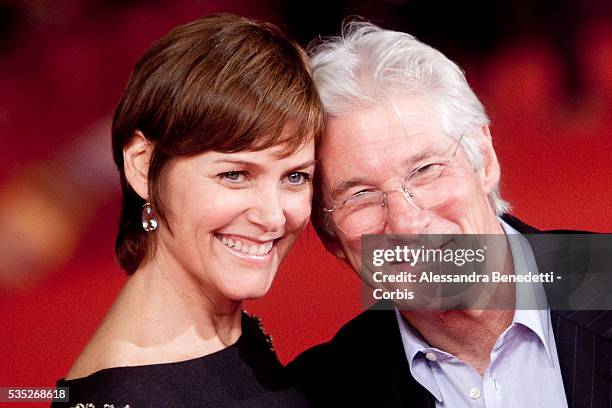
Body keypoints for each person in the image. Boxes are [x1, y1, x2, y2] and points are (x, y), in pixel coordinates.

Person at [288, 22, 611, 407]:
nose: (407, 223)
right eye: (361, 196)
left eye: (426, 170)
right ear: (330, 238)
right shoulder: (321, 394)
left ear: (485, 160)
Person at [52, 14, 323, 408]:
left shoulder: (228, 335)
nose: (274, 216)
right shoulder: (116, 398)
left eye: (295, 177)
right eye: (234, 174)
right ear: (143, 165)